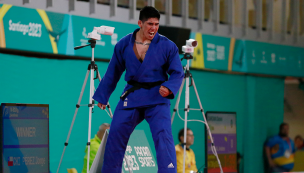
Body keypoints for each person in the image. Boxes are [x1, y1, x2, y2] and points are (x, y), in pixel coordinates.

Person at [93, 6, 184, 173]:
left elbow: (178, 72)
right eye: (150, 24)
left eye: (157, 24)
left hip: (157, 96)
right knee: (115, 134)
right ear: (140, 23)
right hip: (133, 95)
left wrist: (169, 88)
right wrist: (103, 95)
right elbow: (113, 71)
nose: (154, 28)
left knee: (163, 136)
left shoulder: (167, 46)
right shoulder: (123, 44)